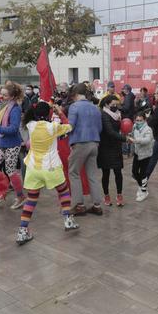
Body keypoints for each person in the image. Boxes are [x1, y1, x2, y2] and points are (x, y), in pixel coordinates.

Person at [16, 101, 79, 245]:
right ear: (49, 113)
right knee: (63, 191)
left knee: (31, 199)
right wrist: (60, 112)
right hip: (51, 167)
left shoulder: (30, 125)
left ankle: (22, 231)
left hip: (33, 168)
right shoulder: (53, 127)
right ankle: (68, 219)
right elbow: (70, 126)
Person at [66, 83, 104, 216]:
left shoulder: (74, 106)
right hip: (94, 142)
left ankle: (79, 205)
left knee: (73, 173)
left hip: (80, 143)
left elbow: (70, 126)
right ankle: (97, 205)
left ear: (75, 95)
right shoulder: (95, 108)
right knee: (92, 175)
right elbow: (100, 128)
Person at [0, 82, 26, 207]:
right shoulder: (1, 106)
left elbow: (14, 129)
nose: (1, 96)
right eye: (1, 94)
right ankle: (3, 188)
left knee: (10, 171)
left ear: (12, 96)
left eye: (4, 95)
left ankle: (20, 197)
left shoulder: (15, 109)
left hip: (12, 144)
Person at [98, 94, 127, 207]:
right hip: (105, 147)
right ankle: (106, 195)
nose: (115, 106)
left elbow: (122, 127)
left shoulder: (118, 114)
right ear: (106, 104)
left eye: (117, 104)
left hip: (116, 146)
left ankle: (119, 195)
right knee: (106, 173)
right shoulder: (103, 115)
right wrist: (125, 139)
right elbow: (110, 131)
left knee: (118, 172)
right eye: (113, 104)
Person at [128, 111, 154, 201]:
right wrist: (129, 136)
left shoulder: (148, 129)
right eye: (137, 120)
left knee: (143, 174)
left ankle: (144, 191)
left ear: (144, 120)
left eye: (140, 120)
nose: (138, 122)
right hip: (137, 153)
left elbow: (147, 140)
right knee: (134, 172)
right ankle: (141, 186)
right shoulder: (134, 126)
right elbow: (131, 134)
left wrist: (136, 140)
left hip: (146, 155)